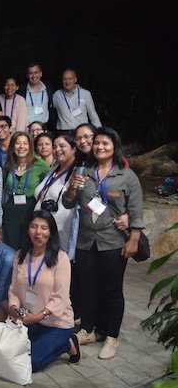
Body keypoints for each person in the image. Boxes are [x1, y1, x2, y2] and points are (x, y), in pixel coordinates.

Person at [63, 127, 144, 359]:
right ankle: (88, 330)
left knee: (112, 290)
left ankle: (111, 336)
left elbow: (137, 210)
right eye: (97, 143)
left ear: (115, 147)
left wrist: (134, 239)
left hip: (113, 241)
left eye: (105, 144)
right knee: (87, 288)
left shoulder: (126, 176)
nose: (99, 147)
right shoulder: (84, 171)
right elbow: (69, 203)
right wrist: (71, 189)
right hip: (86, 241)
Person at [8, 211, 79, 371]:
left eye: (44, 228)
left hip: (55, 322)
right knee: (7, 353)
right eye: (34, 227)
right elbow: (14, 289)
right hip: (29, 320)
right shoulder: (20, 255)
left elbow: (60, 297)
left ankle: (67, 343)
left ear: (51, 232)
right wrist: (13, 309)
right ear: (28, 230)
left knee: (30, 364)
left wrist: (38, 316)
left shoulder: (61, 258)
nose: (38, 232)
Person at [2, 132, 50, 249]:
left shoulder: (40, 165)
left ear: (30, 147)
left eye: (25, 143)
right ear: (13, 147)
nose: (21, 146)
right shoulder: (8, 165)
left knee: (28, 247)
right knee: (11, 246)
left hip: (30, 210)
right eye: (18, 143)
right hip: (10, 212)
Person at [34, 134, 78, 259]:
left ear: (74, 148)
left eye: (62, 146)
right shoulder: (54, 168)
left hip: (61, 231)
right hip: (43, 231)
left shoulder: (77, 172)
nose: (57, 149)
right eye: (55, 146)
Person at [52, 69, 102, 135]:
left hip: (82, 131)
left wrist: (99, 131)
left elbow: (92, 114)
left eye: (70, 79)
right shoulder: (57, 95)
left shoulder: (85, 94)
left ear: (75, 80)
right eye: (65, 79)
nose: (67, 82)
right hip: (63, 132)